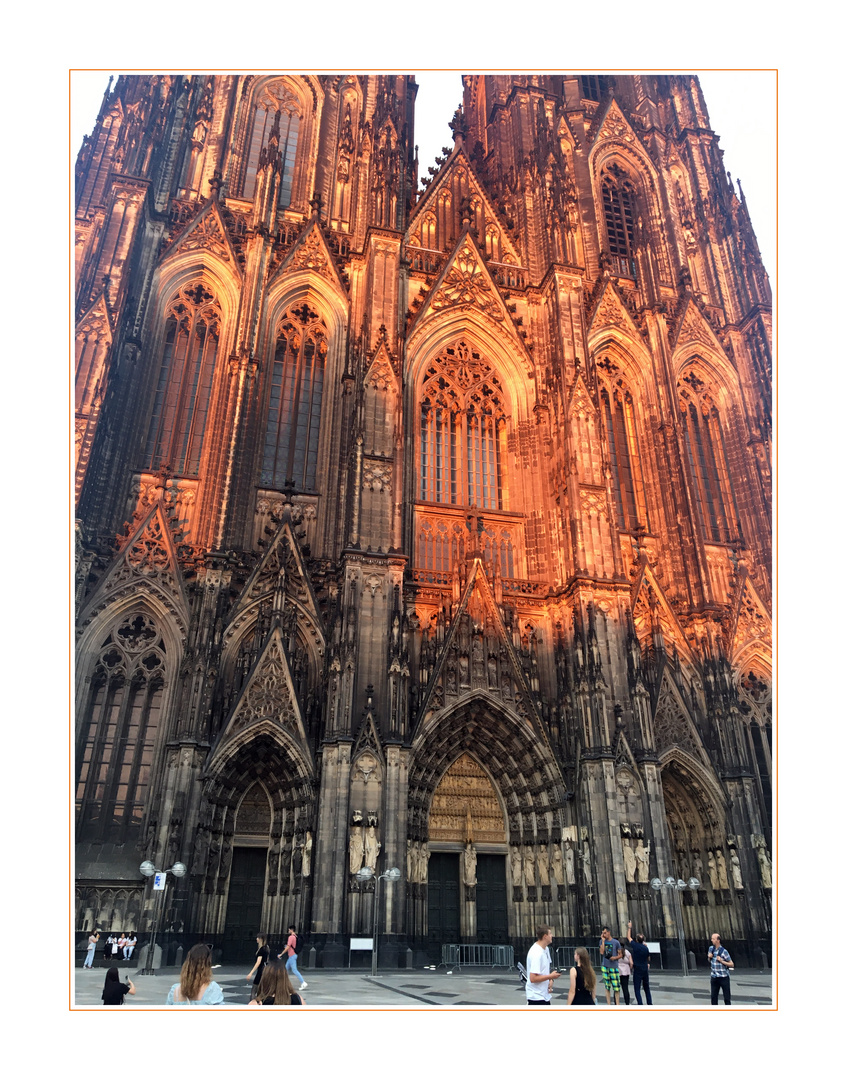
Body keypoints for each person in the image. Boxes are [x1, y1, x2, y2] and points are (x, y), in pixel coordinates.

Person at [525, 924, 561, 1005]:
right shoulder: (537, 953)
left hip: (544, 995)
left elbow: (546, 969)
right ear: (545, 936)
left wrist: (550, 980)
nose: (552, 935)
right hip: (536, 997)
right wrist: (550, 976)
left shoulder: (546, 949)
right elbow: (533, 978)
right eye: (550, 933)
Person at [626, 921, 653, 1005]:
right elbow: (648, 958)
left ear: (637, 940)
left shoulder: (635, 945)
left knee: (637, 988)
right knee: (646, 988)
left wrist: (629, 927)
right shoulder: (646, 948)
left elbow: (628, 937)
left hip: (637, 969)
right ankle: (650, 1004)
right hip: (645, 968)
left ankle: (640, 1004)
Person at [278, 925, 308, 991]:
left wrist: (281, 954)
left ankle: (303, 982)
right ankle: (283, 984)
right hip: (292, 955)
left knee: (294, 970)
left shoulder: (291, 937)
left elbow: (288, 946)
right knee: (285, 969)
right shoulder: (295, 936)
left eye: (289, 930)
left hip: (292, 955)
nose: (288, 931)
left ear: (291, 930)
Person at [598, 927, 622, 1005]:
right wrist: (603, 942)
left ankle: (617, 1004)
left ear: (609, 932)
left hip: (613, 966)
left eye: (605, 933)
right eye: (602, 933)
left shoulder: (616, 942)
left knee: (616, 987)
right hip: (605, 966)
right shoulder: (601, 941)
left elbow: (620, 954)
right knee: (607, 986)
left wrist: (614, 958)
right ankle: (609, 1004)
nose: (603, 934)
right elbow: (602, 952)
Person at [708, 932, 733, 1005]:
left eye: (713, 939)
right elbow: (709, 961)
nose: (711, 940)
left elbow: (731, 964)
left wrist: (722, 961)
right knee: (713, 997)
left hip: (723, 977)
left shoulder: (724, 951)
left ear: (718, 940)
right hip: (714, 977)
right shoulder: (711, 949)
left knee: (727, 998)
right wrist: (709, 957)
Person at [247, 933, 270, 999]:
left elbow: (258, 962)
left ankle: (253, 1005)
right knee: (262, 990)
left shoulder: (261, 950)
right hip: (266, 970)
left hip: (261, 971)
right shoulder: (267, 948)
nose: (256, 939)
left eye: (258, 938)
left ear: (261, 939)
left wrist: (251, 973)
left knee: (254, 990)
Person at [618, 935, 633, 1005]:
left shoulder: (616, 952)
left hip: (617, 971)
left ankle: (616, 1003)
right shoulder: (627, 952)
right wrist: (630, 968)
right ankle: (627, 1003)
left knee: (616, 989)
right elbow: (631, 963)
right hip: (626, 972)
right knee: (625, 988)